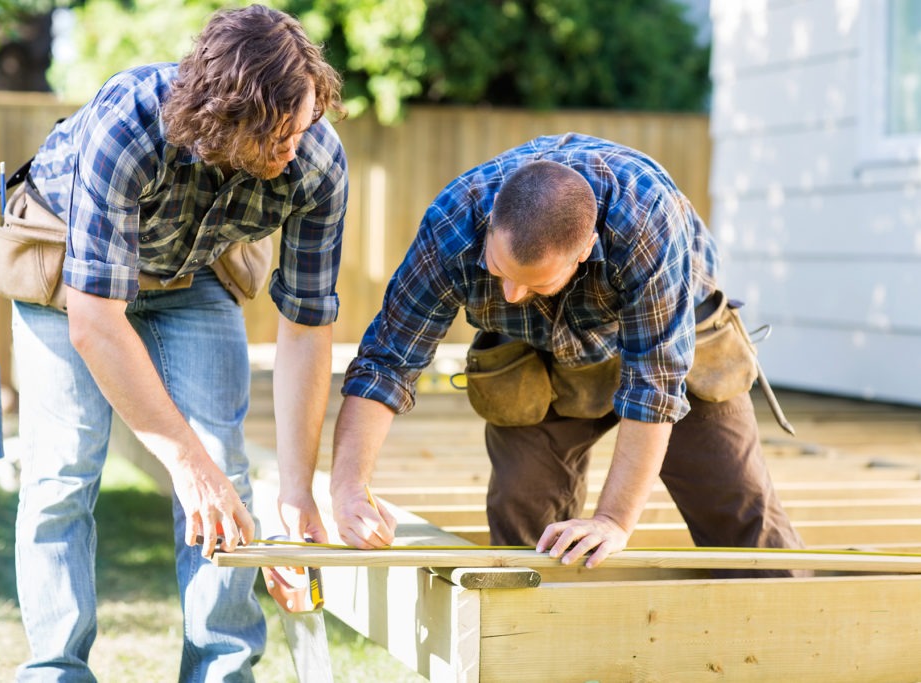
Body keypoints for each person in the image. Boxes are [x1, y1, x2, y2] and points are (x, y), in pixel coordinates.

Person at [10, 5, 345, 680]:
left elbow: (307, 325)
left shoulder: (315, 161)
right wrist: (184, 466)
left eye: (304, 124)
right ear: (224, 116)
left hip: (192, 275)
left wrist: (298, 490)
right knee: (63, 472)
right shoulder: (127, 125)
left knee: (225, 463)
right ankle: (56, 669)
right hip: (70, 276)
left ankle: (221, 669)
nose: (295, 148)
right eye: (277, 135)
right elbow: (95, 321)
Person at [328, 133, 808, 578]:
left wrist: (613, 521)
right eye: (498, 268)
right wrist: (349, 487)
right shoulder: (453, 226)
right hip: (535, 353)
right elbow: (386, 363)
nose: (511, 293)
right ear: (492, 219)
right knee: (524, 520)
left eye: (535, 282)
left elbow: (654, 388)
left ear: (584, 253)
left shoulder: (643, 219)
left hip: (677, 345)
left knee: (740, 513)